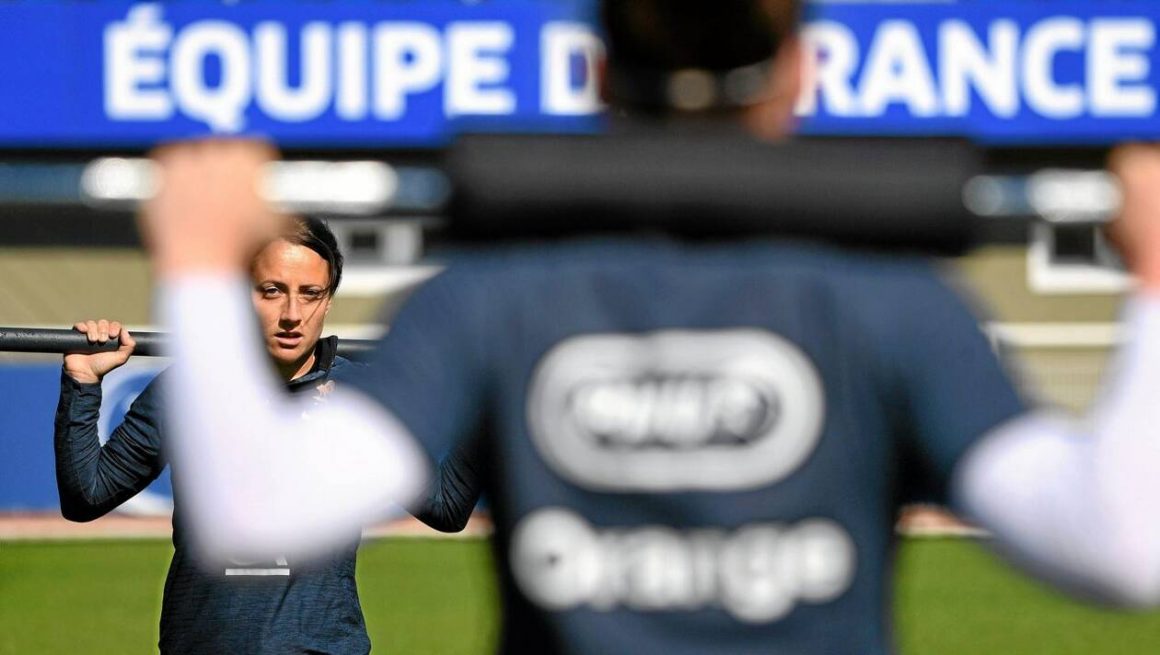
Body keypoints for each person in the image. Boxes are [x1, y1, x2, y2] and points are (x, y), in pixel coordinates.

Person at [136, 1, 1160, 653]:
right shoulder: (897, 303)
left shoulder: (489, 299)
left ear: (593, 75)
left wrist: (195, 264)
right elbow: (1121, 545)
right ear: (801, 72)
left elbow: (254, 509)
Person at [54, 215, 481, 654]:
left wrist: (495, 386)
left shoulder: (362, 396)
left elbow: (445, 507)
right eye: (272, 291)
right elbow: (87, 497)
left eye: (310, 294)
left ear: (329, 300)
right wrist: (83, 383)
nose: (292, 315)